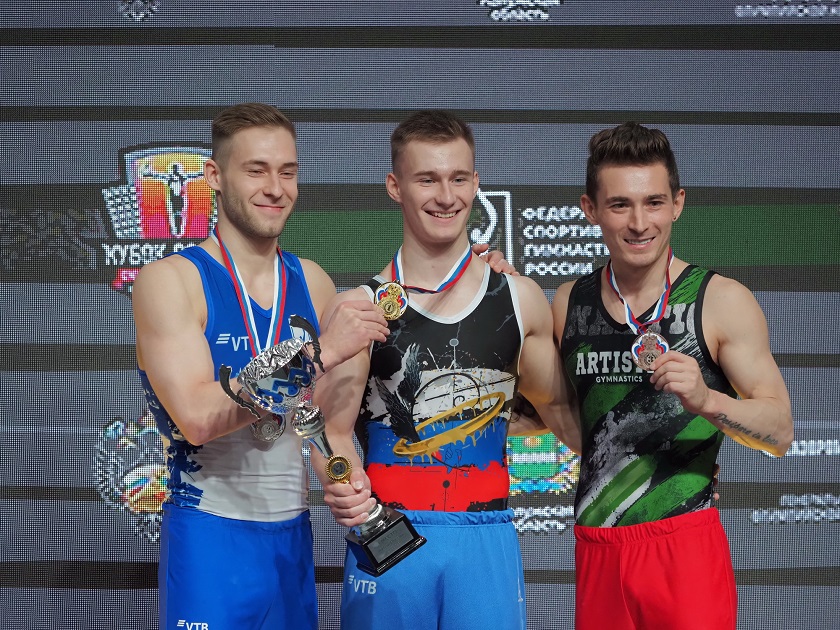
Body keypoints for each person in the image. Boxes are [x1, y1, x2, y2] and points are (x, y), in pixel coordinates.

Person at [310, 110, 581, 630]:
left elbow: (559, 411)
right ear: (395, 187)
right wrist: (351, 497)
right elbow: (332, 432)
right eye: (427, 179)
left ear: (476, 183)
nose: (446, 196)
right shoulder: (359, 308)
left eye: (458, 178)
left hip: (485, 539)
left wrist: (653, 460)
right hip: (389, 536)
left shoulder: (519, 298)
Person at [132, 103, 394, 630]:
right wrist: (319, 352)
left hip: (291, 542)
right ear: (214, 176)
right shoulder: (171, 280)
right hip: (210, 538)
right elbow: (198, 418)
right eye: (256, 170)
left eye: (287, 172)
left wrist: (348, 487)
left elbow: (326, 427)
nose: (275, 188)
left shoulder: (312, 281)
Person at [552, 122, 794, 630]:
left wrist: (708, 400)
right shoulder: (568, 302)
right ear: (590, 209)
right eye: (620, 205)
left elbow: (780, 432)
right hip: (597, 544)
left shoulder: (721, 300)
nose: (639, 223)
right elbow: (558, 413)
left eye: (654, 202)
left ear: (678, 203)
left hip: (683, 545)